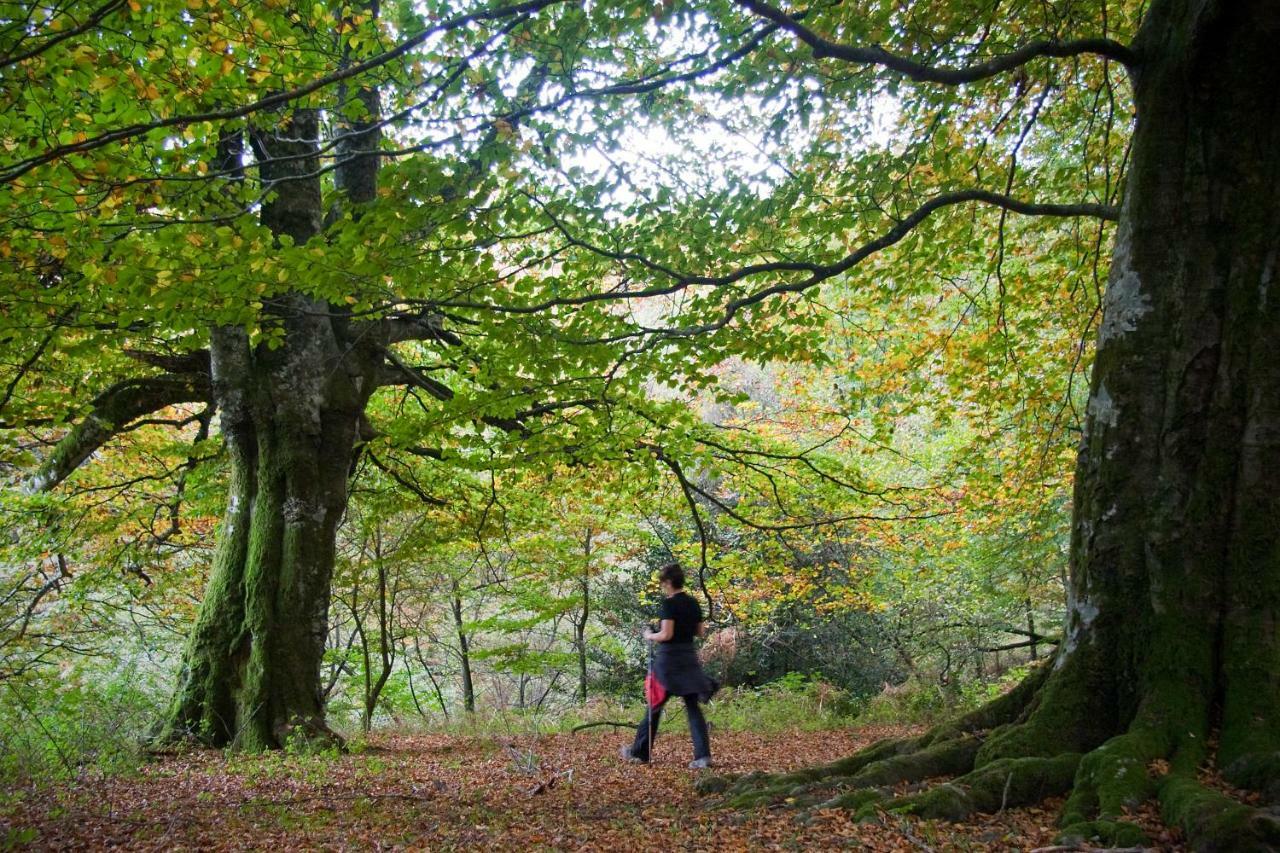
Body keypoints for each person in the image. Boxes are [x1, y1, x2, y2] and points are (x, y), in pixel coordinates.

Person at [619, 562, 717, 769]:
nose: (663, 586)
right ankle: (703, 756)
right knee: (692, 707)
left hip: (669, 661)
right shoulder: (693, 603)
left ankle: (640, 752)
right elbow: (700, 632)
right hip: (688, 658)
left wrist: (649, 635)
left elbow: (666, 634)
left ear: (669, 582)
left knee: (654, 705)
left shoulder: (669, 604)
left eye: (663, 582)